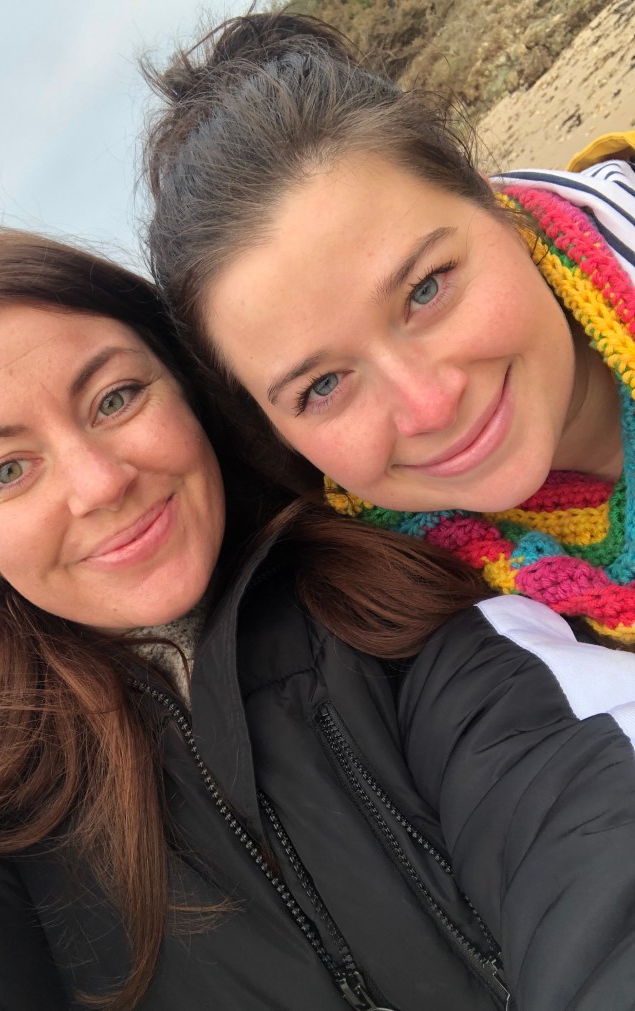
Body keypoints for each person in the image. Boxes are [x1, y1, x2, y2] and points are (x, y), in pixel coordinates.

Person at [0, 231, 635, 1011]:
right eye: (6, 471)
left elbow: (587, 824)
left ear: (185, 380)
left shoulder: (400, 589)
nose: (99, 483)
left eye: (115, 398)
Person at [144, 11, 635, 646]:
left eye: (426, 290)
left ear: (492, 204)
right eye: (322, 386)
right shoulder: (395, 611)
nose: (430, 407)